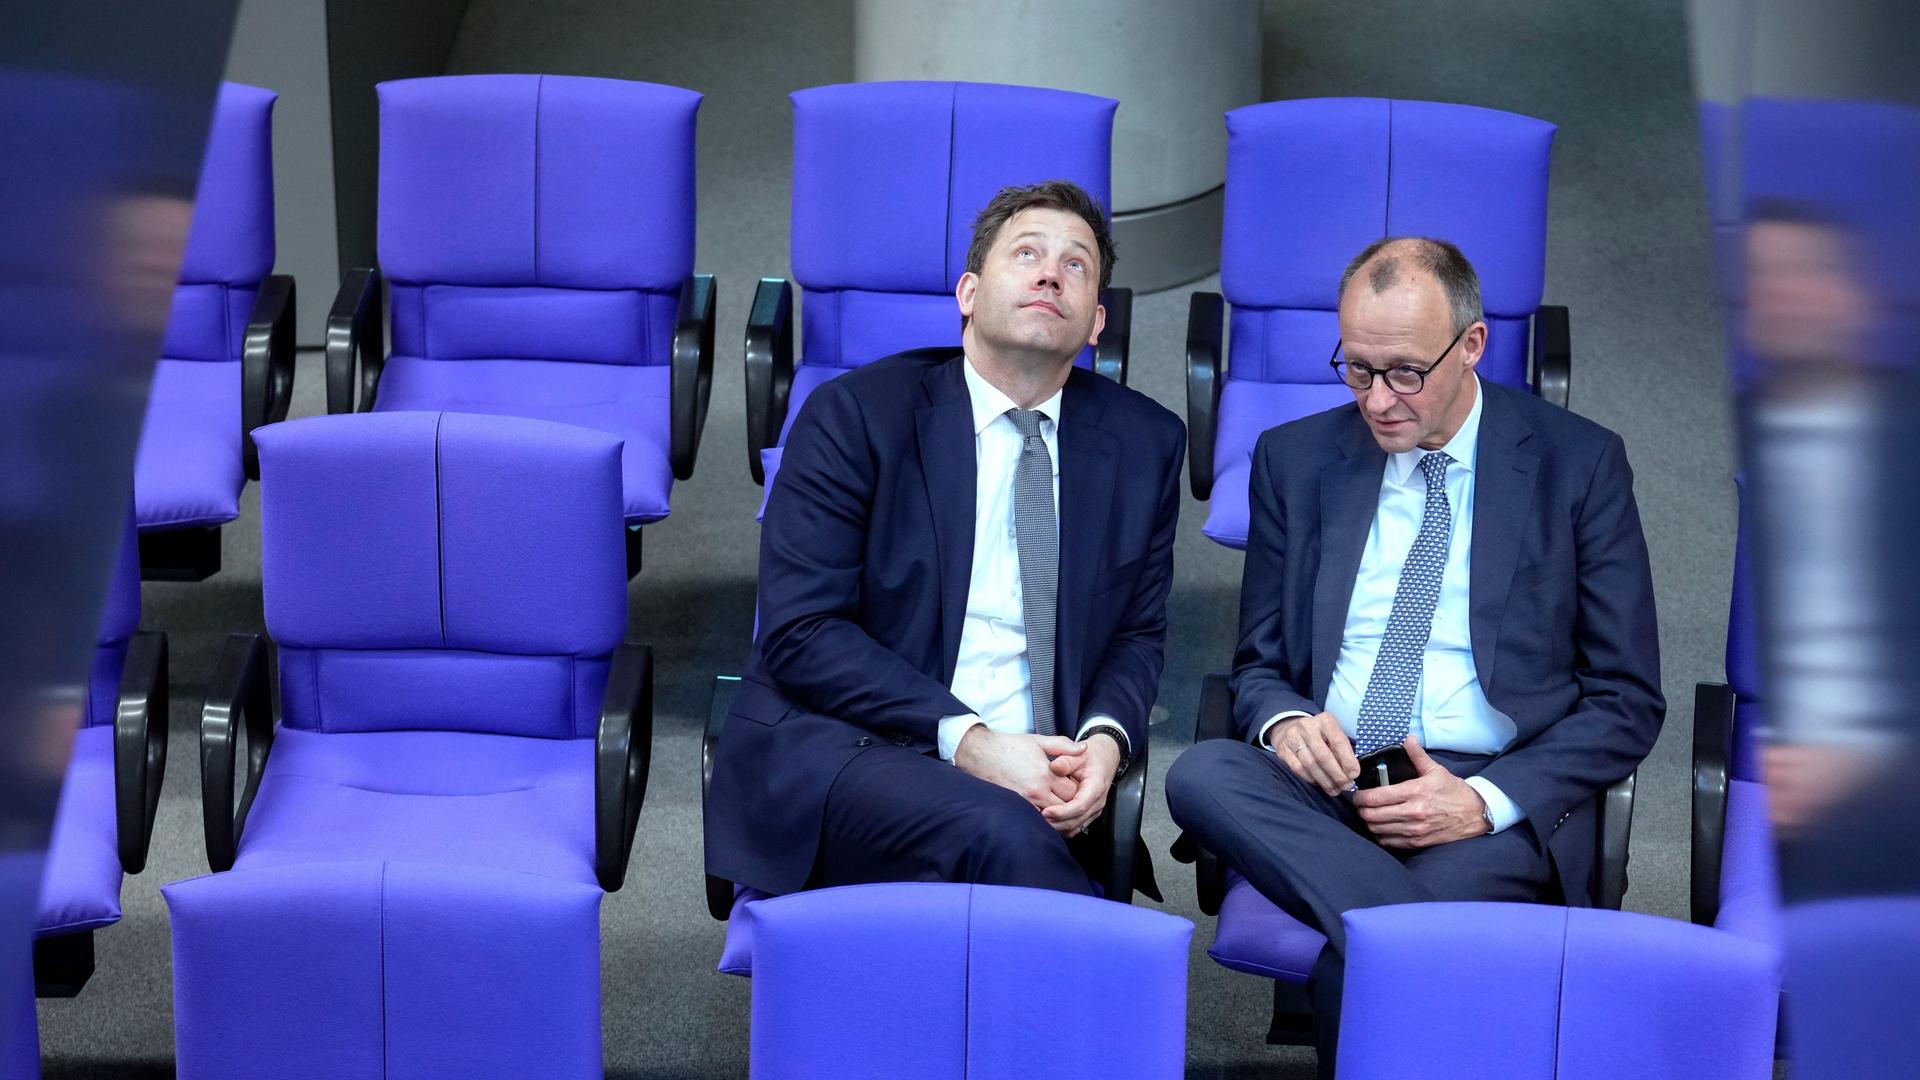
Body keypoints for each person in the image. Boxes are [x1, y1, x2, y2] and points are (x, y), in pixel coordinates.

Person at [1166, 236, 1663, 1076]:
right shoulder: (1295, 461)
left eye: (1404, 372)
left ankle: (1397, 938)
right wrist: (1287, 724)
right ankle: (1462, 971)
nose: (1378, 400)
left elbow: (1627, 700)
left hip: (1480, 789)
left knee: (1353, 965)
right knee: (1198, 773)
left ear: (1472, 345)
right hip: (1333, 780)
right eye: (1356, 369)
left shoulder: (1577, 465)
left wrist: (1484, 801)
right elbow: (1258, 667)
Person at [706, 180, 1184, 900]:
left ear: (1095, 325)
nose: (1052, 272)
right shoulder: (856, 417)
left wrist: (1106, 743)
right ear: (968, 292)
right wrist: (974, 744)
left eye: (1077, 264)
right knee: (1006, 839)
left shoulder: (1145, 444)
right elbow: (802, 632)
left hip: (1041, 760)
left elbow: (1138, 634)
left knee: (1010, 837)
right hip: (856, 745)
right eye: (1027, 254)